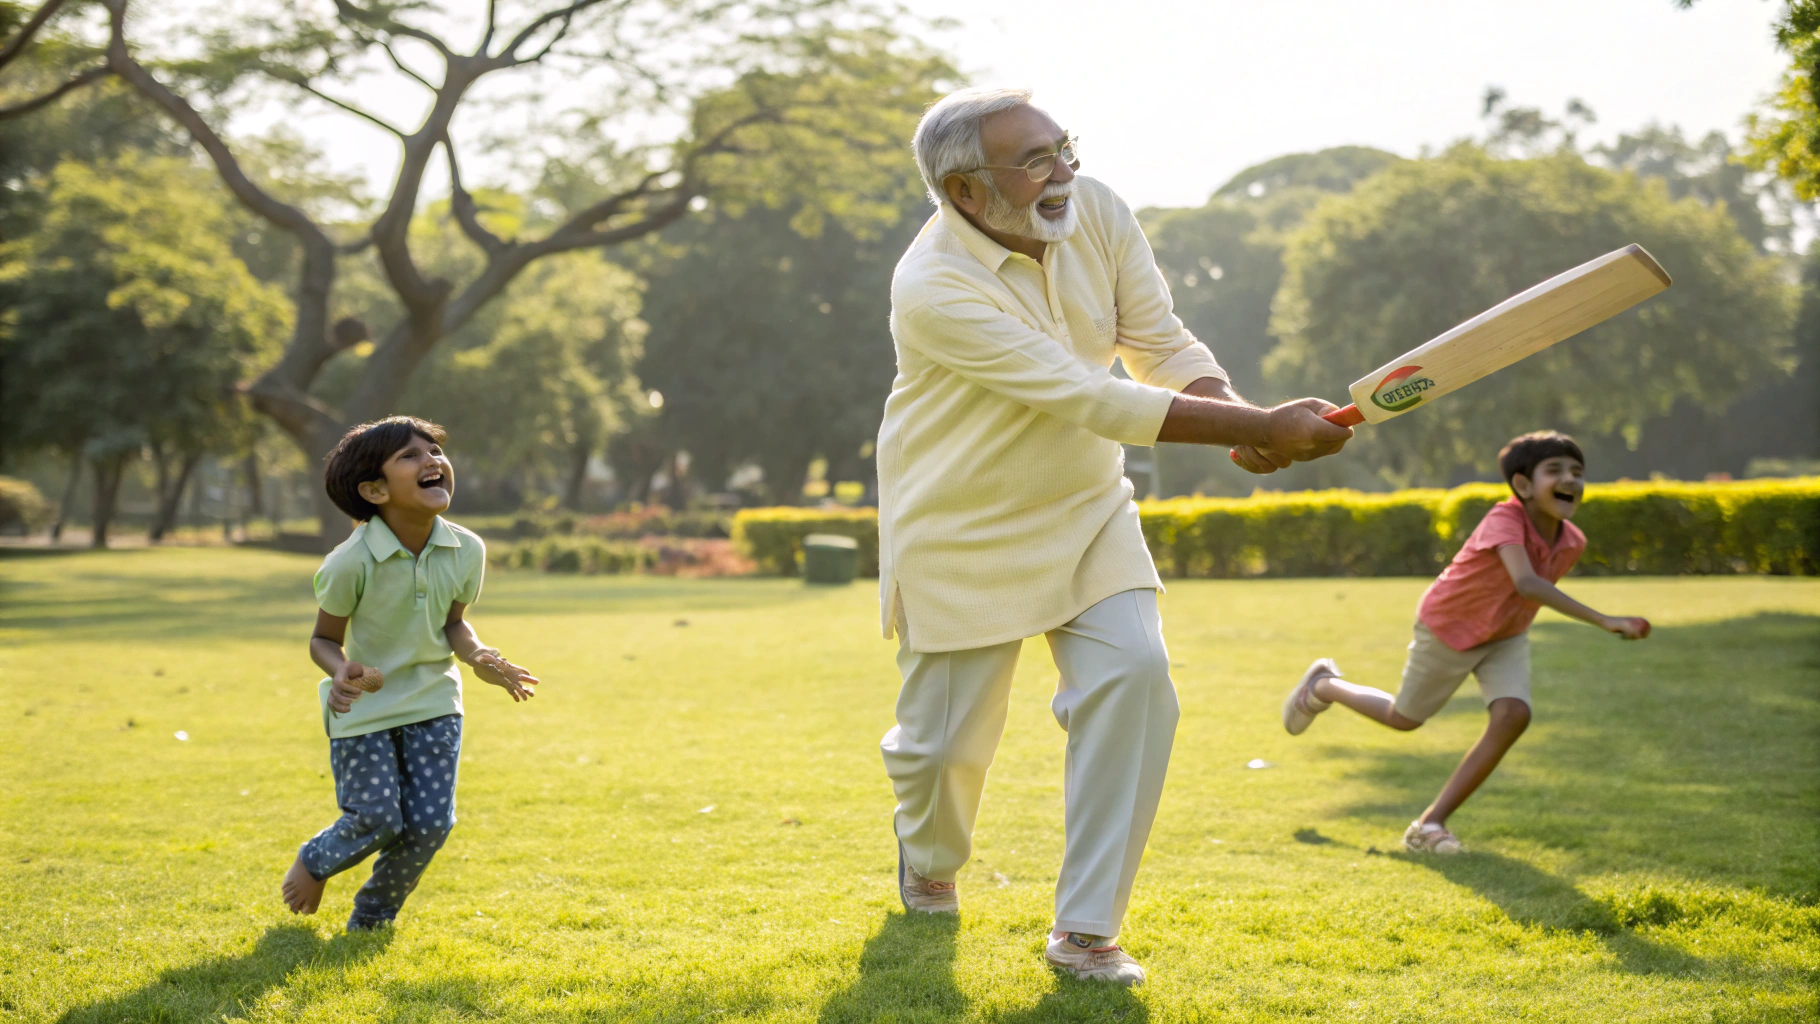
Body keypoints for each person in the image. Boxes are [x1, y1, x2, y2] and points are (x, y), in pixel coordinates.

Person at [876, 87, 1352, 986]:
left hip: (1087, 506)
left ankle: (1087, 929)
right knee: (943, 754)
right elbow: (1089, 395)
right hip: (957, 524)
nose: (1066, 172)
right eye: (1036, 160)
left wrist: (1240, 418)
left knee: (1138, 678)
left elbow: (1158, 344)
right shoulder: (933, 284)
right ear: (965, 192)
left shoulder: (1095, 210)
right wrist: (1266, 425)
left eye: (1065, 146)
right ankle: (927, 857)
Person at [1281, 431, 1651, 854]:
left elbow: (1522, 595)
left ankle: (1429, 824)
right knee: (1404, 719)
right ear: (1523, 485)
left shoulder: (1571, 541)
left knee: (1513, 715)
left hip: (1505, 634)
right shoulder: (1504, 519)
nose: (1570, 479)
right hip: (1450, 628)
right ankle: (1324, 685)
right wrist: (1605, 620)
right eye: (1555, 471)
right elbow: (1527, 583)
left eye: (1577, 472)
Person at [280, 416, 540, 930]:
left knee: (429, 825)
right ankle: (315, 860)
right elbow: (322, 640)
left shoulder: (467, 549)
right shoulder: (349, 562)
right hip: (365, 706)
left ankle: (373, 916)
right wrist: (341, 670)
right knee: (376, 818)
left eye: (434, 452)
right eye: (410, 456)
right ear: (374, 490)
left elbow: (453, 624)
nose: (432, 462)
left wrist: (479, 656)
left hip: (434, 702)